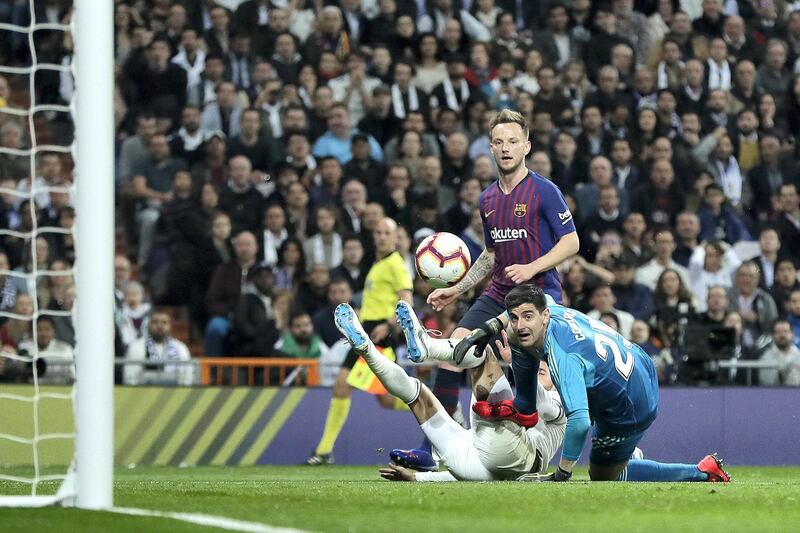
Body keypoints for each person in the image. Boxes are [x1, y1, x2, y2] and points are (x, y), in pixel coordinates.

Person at [445, 284, 731, 482]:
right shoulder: (546, 311)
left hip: (631, 402)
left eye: (528, 317)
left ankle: (700, 471)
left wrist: (564, 472)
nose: (520, 325)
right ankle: (624, 453)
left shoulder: (564, 356)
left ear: (544, 316)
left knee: (603, 474)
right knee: (523, 377)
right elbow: (526, 407)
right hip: (635, 361)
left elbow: (580, 423)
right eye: (514, 318)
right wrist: (486, 329)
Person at [423, 109, 579, 427]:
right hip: (498, 293)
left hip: (538, 294)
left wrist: (531, 267)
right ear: (490, 148)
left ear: (527, 147)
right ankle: (431, 449)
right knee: (455, 352)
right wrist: (456, 289)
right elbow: (491, 254)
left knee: (559, 369)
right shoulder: (487, 200)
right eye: (499, 142)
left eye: (512, 141)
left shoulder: (545, 191)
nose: (506, 148)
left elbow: (571, 242)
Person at [334, 301, 566, 481]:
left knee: (482, 354)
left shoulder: (561, 401)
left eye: (544, 367)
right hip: (475, 461)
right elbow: (470, 475)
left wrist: (518, 364)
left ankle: (427, 345)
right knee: (416, 395)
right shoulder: (530, 392)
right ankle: (367, 349)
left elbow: (541, 403)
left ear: (557, 376)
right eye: (537, 365)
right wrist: (418, 477)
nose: (539, 367)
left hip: (519, 457)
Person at [307, 217, 413, 465]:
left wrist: (387, 326)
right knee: (376, 396)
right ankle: (324, 451)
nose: (381, 237)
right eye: (377, 232)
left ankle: (438, 407)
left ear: (395, 237)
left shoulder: (396, 265)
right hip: (366, 331)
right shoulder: (378, 264)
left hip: (379, 335)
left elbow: (406, 301)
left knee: (381, 396)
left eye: (386, 232)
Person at [123, 309, 192, 386]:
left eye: (164, 322)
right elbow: (130, 378)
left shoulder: (180, 348)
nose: (160, 326)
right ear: (148, 325)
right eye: (155, 322)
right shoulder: (136, 347)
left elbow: (187, 378)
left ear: (170, 326)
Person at [758, 319, 800, 386]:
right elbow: (766, 384)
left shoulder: (798, 355)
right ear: (773, 336)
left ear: (792, 334)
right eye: (778, 332)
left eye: (786, 331)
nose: (782, 335)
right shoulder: (766, 358)